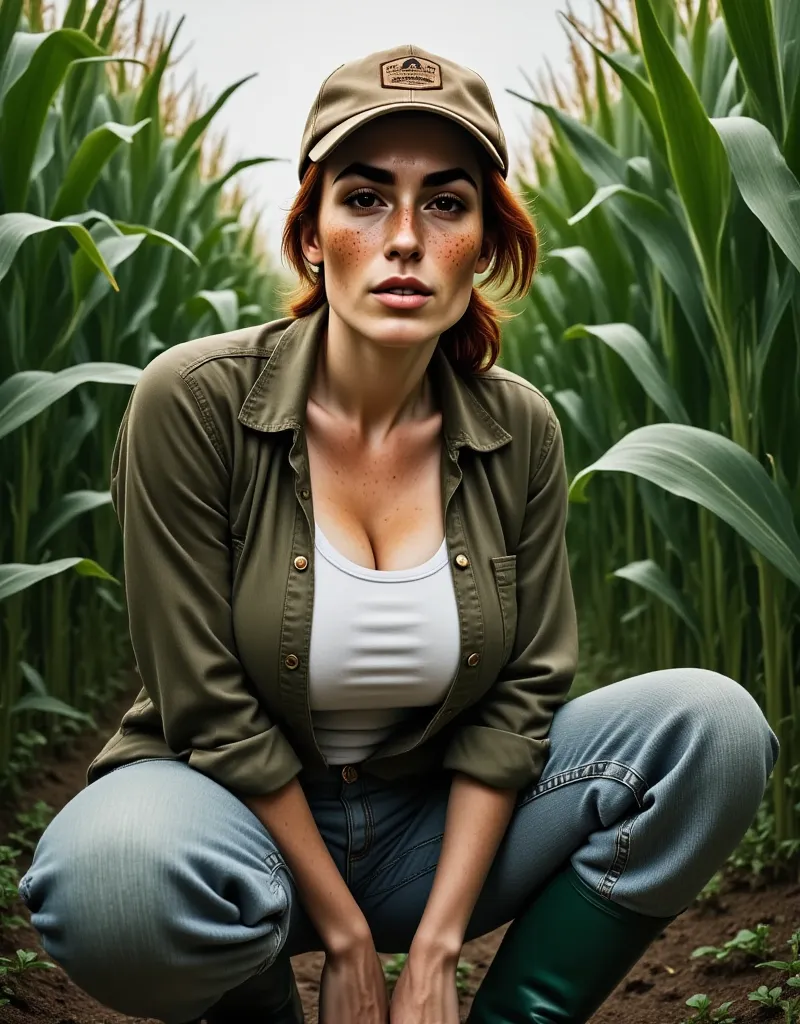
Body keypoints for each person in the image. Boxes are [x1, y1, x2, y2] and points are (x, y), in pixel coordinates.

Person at [17, 43, 779, 1024]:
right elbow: (203, 705)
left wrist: (434, 948)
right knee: (114, 881)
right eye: (366, 197)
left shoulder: (519, 427)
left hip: (436, 825)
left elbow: (524, 695)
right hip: (232, 819)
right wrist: (340, 939)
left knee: (711, 731)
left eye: (446, 203)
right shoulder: (193, 401)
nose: (406, 238)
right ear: (311, 231)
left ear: (485, 241)